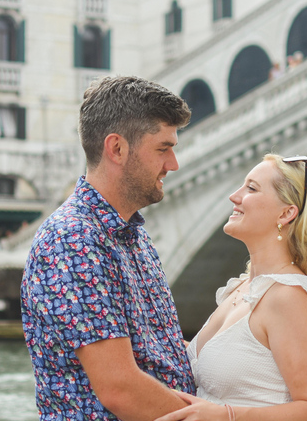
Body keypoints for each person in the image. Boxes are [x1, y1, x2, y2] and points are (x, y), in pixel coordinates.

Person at [21, 76, 195, 420]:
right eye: (163, 148)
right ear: (116, 148)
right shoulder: (73, 240)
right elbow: (120, 388)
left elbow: (159, 351)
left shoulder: (131, 234)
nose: (173, 164)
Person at [156, 154, 307, 421]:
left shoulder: (292, 297)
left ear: (286, 213)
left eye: (251, 188)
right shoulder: (242, 288)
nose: (234, 196)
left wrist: (225, 416)